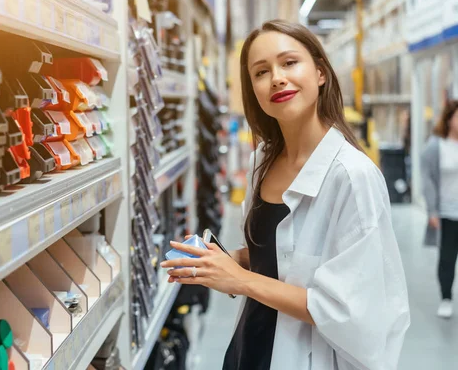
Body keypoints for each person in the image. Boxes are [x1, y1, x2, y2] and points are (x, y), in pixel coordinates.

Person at [160, 20, 410, 370]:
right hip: (250, 345)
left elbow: (348, 308)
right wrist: (224, 262)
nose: (277, 77)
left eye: (289, 62)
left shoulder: (352, 176)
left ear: (320, 72)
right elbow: (285, 254)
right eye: (261, 72)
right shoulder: (262, 159)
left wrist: (240, 280)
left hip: (306, 356)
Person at [422, 99, 458, 318]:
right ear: (449, 118)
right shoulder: (437, 145)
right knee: (447, 258)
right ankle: (446, 298)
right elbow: (428, 180)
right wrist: (432, 211)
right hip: (446, 213)